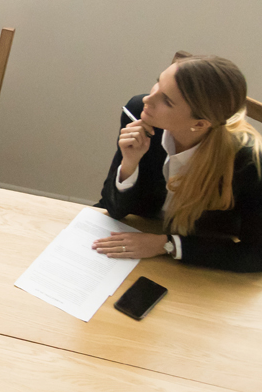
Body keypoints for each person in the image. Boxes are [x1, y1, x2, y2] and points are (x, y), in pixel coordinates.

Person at [94, 54, 262, 272]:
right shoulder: (138, 113)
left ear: (199, 124)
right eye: (157, 83)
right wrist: (129, 164)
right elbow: (113, 208)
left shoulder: (248, 162)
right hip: (136, 234)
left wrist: (166, 244)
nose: (148, 99)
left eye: (167, 100)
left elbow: (256, 255)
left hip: (196, 260)